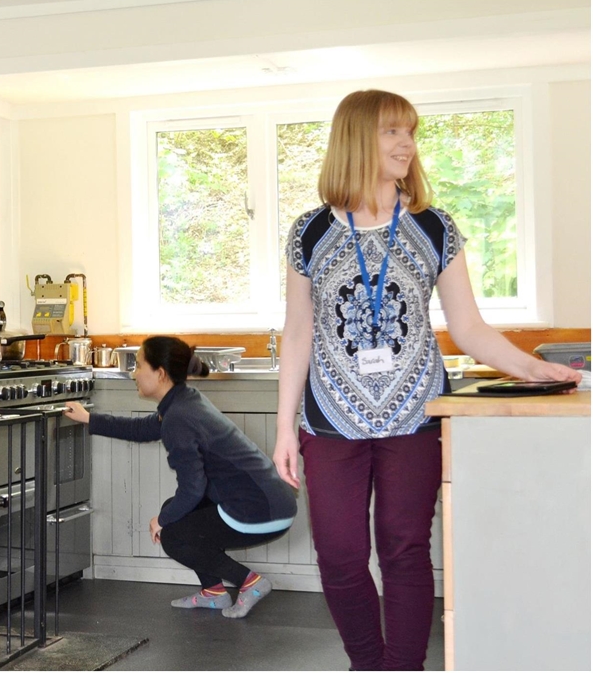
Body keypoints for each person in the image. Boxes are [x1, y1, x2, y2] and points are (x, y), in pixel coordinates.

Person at [271, 89, 582, 671]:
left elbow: (469, 328)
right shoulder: (308, 232)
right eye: (392, 132)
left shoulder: (434, 227)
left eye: (410, 132)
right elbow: (297, 334)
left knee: (405, 552)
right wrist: (285, 428)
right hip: (328, 420)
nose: (407, 144)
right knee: (338, 556)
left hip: (415, 413)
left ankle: (404, 668)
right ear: (357, 138)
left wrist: (535, 367)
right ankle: (368, 664)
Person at [65, 335, 297, 619]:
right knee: (172, 513)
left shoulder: (179, 416)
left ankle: (250, 582)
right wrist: (89, 418)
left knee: (172, 533)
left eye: (138, 366)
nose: (133, 373)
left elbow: (192, 488)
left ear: (160, 373)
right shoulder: (183, 402)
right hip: (266, 501)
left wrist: (160, 522)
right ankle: (214, 593)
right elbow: (143, 429)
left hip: (260, 509)